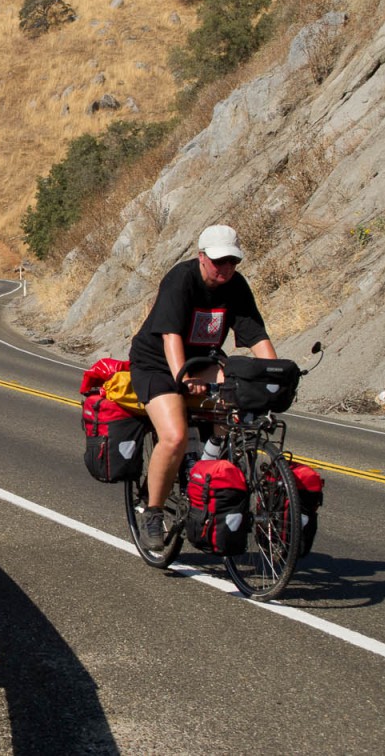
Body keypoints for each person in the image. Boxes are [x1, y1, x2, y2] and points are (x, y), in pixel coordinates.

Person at [128, 224, 277, 550]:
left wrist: (272, 377)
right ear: (202, 257)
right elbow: (171, 337)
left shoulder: (236, 286)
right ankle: (152, 512)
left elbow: (257, 337)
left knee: (239, 400)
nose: (225, 268)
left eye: (232, 262)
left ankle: (203, 468)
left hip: (203, 361)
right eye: (218, 261)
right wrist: (184, 378)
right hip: (157, 363)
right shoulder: (182, 279)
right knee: (175, 435)